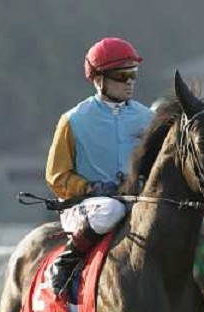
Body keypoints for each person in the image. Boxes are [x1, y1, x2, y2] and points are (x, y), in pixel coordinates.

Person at [45, 37, 153, 294]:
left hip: (135, 201)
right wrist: (91, 187)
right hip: (86, 207)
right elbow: (56, 176)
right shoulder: (73, 120)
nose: (129, 82)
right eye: (121, 75)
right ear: (98, 79)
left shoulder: (148, 118)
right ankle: (67, 261)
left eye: (133, 74)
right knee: (111, 209)